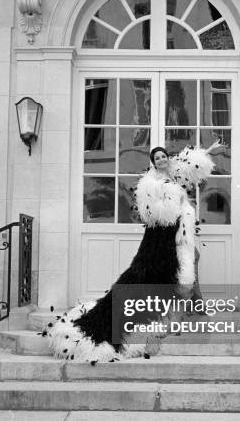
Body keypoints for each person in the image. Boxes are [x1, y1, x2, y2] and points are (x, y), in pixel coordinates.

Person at [43, 139, 223, 363]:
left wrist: (210, 152)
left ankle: (186, 310)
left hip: (178, 237)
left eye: (163, 156)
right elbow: (155, 215)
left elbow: (190, 163)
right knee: (145, 274)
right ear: (153, 163)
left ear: (168, 158)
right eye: (157, 158)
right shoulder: (151, 183)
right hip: (160, 238)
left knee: (180, 273)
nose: (161, 160)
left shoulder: (174, 174)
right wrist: (172, 203)